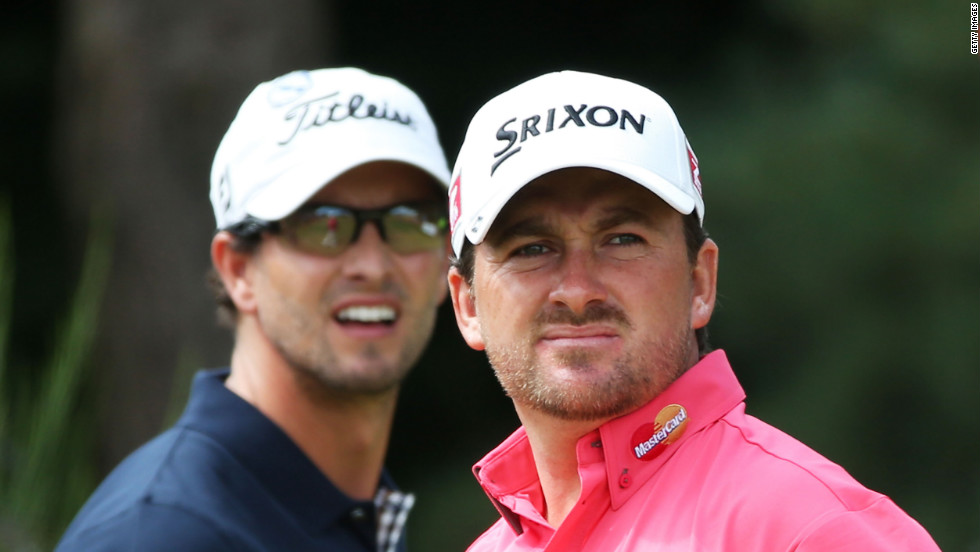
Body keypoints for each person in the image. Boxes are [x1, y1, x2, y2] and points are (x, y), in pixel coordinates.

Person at [446, 70, 940, 551]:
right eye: (532, 248)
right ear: (467, 304)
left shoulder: (810, 530)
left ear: (700, 282)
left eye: (622, 240)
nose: (577, 291)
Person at [56, 67, 452, 551]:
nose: (372, 265)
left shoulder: (358, 511)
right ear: (238, 270)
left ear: (443, 266)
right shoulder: (161, 534)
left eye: (408, 222)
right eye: (323, 225)